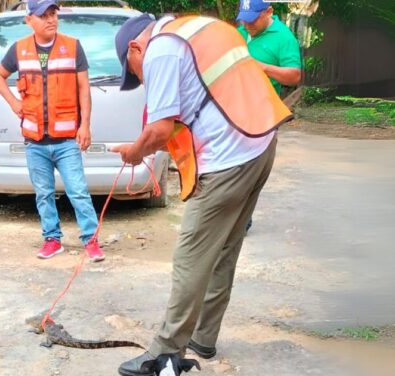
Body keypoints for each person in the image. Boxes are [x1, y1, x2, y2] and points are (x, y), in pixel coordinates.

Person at [111, 13, 292, 375]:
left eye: (134, 72)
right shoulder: (199, 28)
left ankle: (165, 354)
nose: (140, 79)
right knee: (224, 249)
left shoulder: (161, 50)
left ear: (135, 48)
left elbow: (160, 130)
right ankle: (204, 339)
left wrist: (135, 152)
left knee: (191, 257)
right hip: (261, 144)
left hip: (227, 160)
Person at [0, 0, 104, 262]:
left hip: (66, 140)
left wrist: (85, 124)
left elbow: (83, 89)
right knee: (43, 194)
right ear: (29, 19)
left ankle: (91, 240)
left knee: (78, 191)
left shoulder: (73, 47)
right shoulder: (19, 50)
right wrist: (14, 103)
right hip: (35, 141)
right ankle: (52, 239)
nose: (51, 19)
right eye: (44, 15)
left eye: (53, 14)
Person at [236, 0, 302, 232]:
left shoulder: (284, 38)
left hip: (261, 113)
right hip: (232, 109)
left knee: (250, 166)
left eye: (252, 18)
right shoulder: (242, 30)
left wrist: (262, 67)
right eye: (243, 17)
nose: (246, 23)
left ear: (269, 12)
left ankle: (243, 217)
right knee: (232, 165)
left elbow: (294, 76)